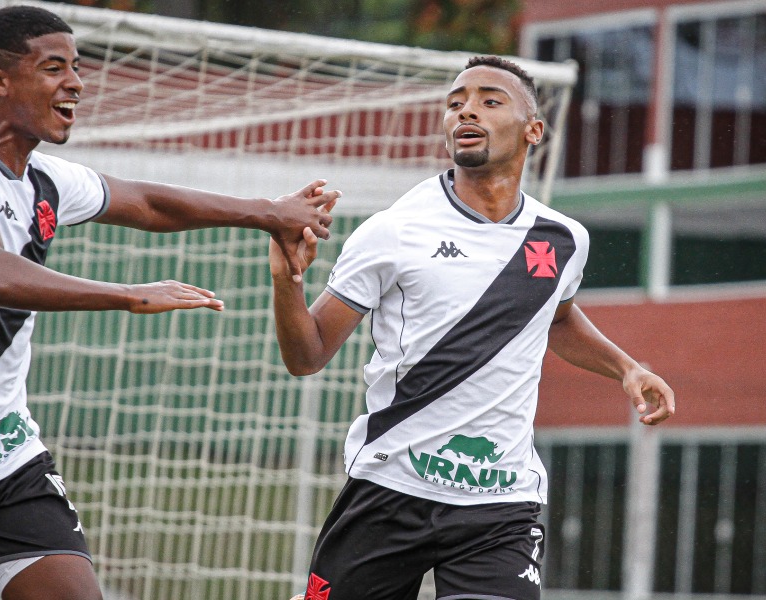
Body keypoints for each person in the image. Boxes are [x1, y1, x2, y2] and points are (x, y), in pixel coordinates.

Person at [0, 6, 340, 600]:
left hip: (7, 458)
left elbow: (150, 202)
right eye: (54, 68)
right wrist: (127, 295)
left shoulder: (44, 179)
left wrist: (270, 213)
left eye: (77, 67)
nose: (76, 82)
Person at [272, 56, 675, 600]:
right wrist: (288, 281)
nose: (467, 110)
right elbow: (307, 355)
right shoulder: (393, 231)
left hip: (500, 505)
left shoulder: (563, 240)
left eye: (490, 100)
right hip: (390, 491)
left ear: (533, 130)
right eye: (456, 102)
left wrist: (627, 368)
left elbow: (553, 315)